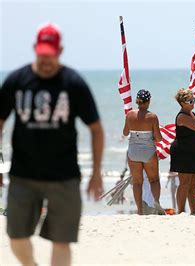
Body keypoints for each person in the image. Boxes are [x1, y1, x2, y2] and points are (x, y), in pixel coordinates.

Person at [0, 23, 104, 266]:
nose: (46, 60)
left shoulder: (73, 83)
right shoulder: (17, 81)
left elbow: (96, 130)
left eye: (51, 55)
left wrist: (96, 173)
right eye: (42, 54)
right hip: (23, 175)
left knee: (62, 240)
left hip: (65, 177)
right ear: (35, 49)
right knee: (16, 237)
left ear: (60, 51)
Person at [122, 89, 165, 215]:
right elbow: (159, 138)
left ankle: (140, 210)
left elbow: (125, 133)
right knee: (154, 180)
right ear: (148, 101)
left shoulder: (129, 115)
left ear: (137, 101)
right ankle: (156, 202)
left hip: (133, 151)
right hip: (148, 151)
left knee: (137, 182)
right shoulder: (152, 116)